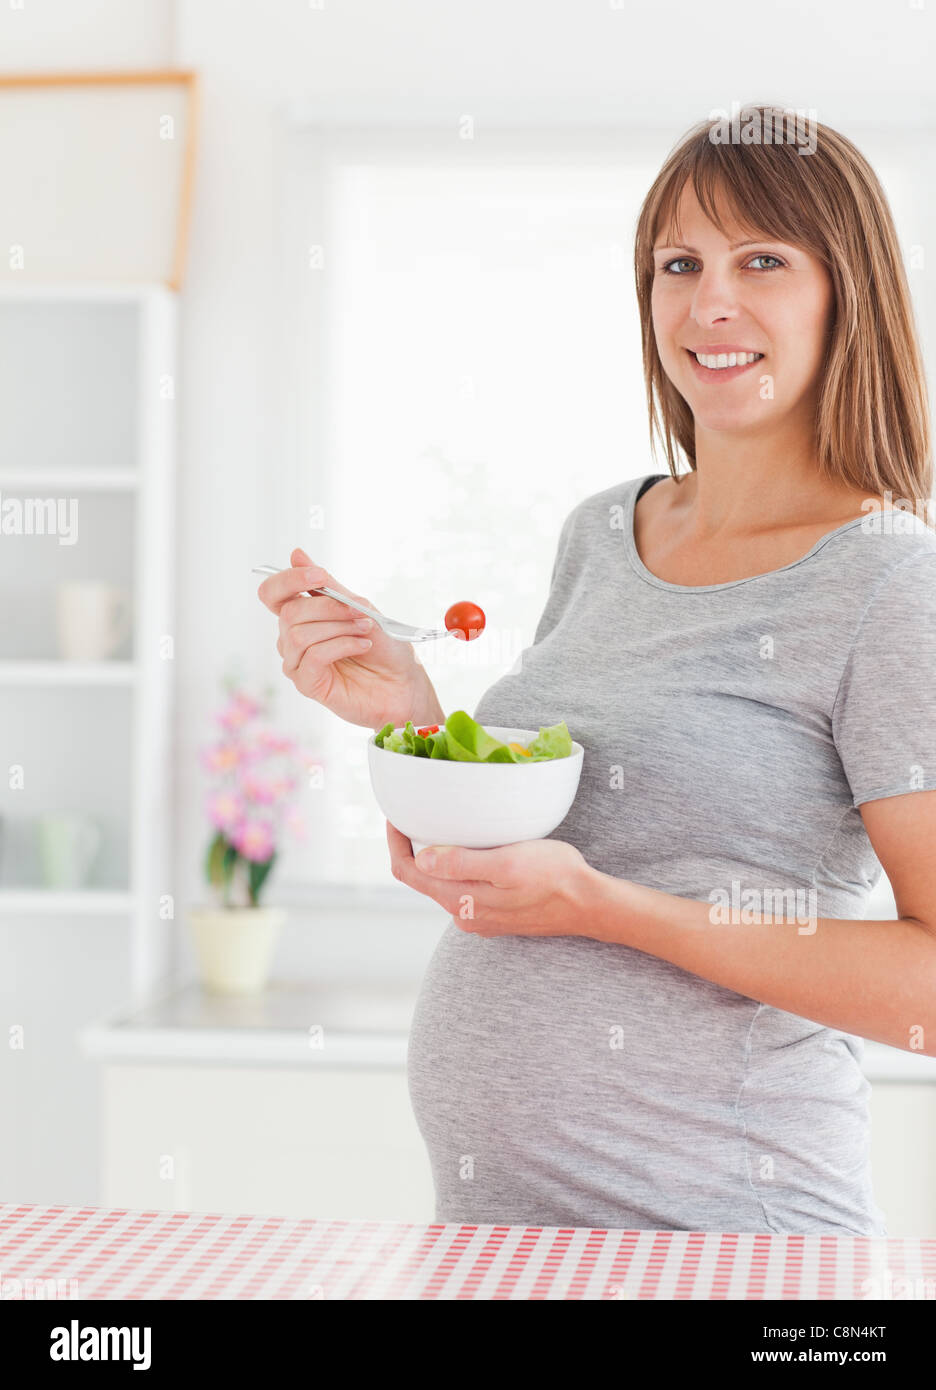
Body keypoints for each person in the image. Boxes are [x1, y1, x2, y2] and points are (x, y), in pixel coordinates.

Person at [258, 105, 936, 1234]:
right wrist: (416, 714)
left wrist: (613, 911)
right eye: (680, 263)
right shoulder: (601, 533)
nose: (710, 301)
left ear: (846, 293)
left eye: (762, 259)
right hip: (498, 1232)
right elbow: (554, 835)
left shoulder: (888, 584)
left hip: (723, 1242)